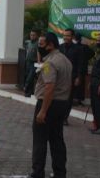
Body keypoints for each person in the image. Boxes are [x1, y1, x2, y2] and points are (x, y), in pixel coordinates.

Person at [29, 32, 72, 178]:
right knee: (57, 139)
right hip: (62, 104)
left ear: (51, 45)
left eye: (41, 44)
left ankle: (37, 172)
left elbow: (49, 87)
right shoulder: (65, 60)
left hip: (48, 104)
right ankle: (60, 172)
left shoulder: (49, 64)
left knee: (40, 139)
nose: (39, 47)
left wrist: (43, 111)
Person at [58, 29, 80, 125]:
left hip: (72, 77)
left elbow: (80, 64)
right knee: (58, 97)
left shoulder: (78, 49)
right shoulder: (60, 47)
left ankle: (64, 118)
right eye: (64, 35)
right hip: (60, 76)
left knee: (68, 98)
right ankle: (58, 116)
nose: (65, 37)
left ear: (72, 37)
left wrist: (78, 77)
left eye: (68, 36)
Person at [72, 33, 91, 105]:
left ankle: (74, 100)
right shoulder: (84, 46)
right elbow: (92, 53)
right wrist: (86, 59)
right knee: (81, 85)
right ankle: (79, 100)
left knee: (74, 85)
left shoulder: (74, 46)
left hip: (75, 69)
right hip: (82, 68)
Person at [24, 30, 41, 97]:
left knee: (30, 78)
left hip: (34, 63)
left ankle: (27, 91)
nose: (32, 36)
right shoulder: (29, 43)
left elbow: (38, 52)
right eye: (31, 35)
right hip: (28, 62)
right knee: (28, 77)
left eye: (34, 35)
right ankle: (29, 92)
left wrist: (39, 61)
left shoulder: (38, 43)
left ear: (37, 36)